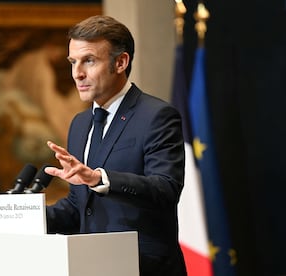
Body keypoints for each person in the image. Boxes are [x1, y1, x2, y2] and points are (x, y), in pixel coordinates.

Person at [45, 15, 187, 276]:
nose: (77, 73)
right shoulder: (80, 124)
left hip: (144, 267)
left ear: (120, 62)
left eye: (89, 61)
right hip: (91, 266)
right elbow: (80, 206)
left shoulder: (156, 116)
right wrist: (25, 219)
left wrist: (101, 178)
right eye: (73, 62)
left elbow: (166, 188)